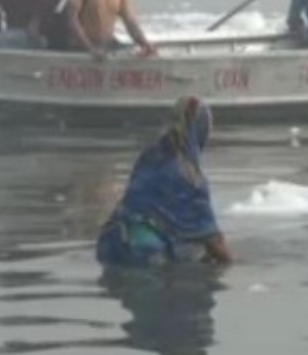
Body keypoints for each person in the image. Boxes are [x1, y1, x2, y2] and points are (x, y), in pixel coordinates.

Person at [96, 97, 234, 267]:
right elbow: (213, 239)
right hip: (145, 253)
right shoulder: (190, 175)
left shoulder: (150, 156)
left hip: (110, 242)